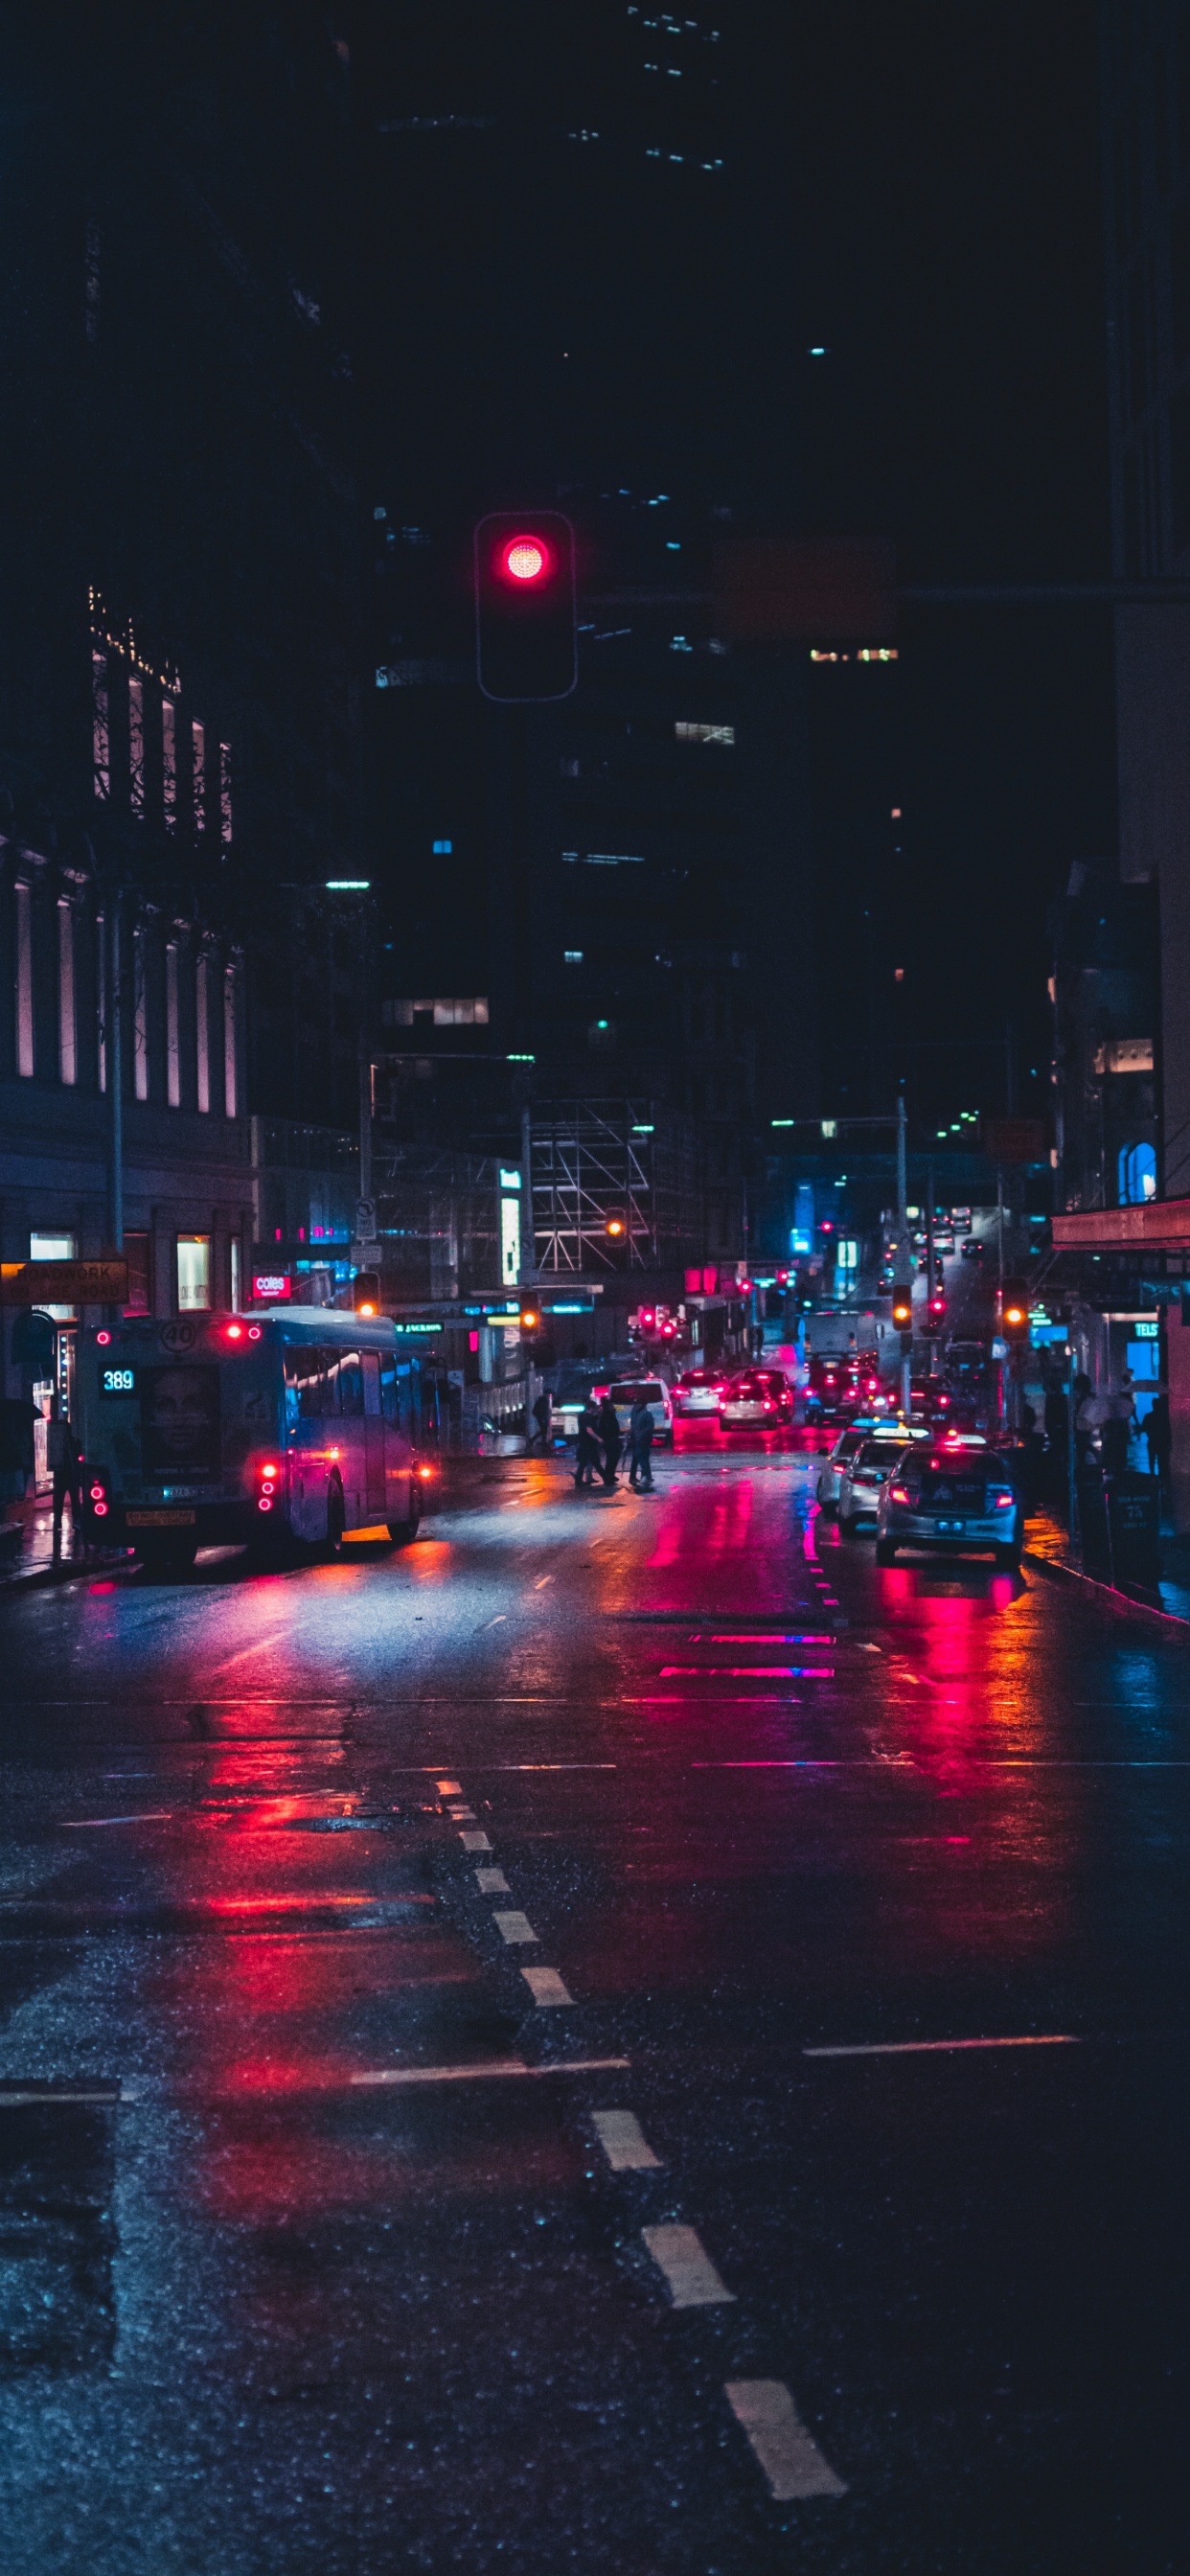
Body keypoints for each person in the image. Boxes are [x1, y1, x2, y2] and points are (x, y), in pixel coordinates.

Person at [47, 1403, 83, 1562]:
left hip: (65, 1475)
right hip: (67, 1475)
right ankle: (67, 1522)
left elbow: (79, 1457)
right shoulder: (69, 1443)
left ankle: (66, 1522)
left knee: (66, 1500)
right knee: (67, 1500)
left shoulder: (72, 1443)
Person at [1144, 1389, 1171, 1489]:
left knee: (1151, 1459)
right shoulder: (1164, 1417)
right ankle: (1161, 1477)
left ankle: (1152, 1476)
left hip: (1152, 1440)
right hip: (1162, 1441)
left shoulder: (1148, 1416)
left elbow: (1144, 1427)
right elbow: (1167, 1430)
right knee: (1161, 1459)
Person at [628, 1393, 655, 1491]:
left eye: (638, 1403)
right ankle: (645, 1477)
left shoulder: (645, 1414)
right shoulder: (636, 1412)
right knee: (640, 1458)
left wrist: (642, 1436)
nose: (636, 1405)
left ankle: (645, 1477)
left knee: (641, 1458)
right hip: (637, 1440)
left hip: (643, 1440)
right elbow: (634, 1425)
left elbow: (648, 1428)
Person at [596, 1393, 622, 1489]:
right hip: (610, 1440)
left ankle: (610, 1474)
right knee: (612, 1458)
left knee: (612, 1458)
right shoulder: (607, 1416)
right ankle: (609, 1475)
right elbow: (609, 1429)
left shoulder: (607, 1415)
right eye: (611, 1406)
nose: (613, 1407)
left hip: (611, 1440)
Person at [573, 1404, 602, 1488]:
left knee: (584, 1462)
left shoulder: (583, 1416)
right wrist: (598, 1439)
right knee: (585, 1462)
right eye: (594, 1408)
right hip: (587, 1443)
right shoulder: (587, 1417)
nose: (595, 1410)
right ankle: (579, 1480)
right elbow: (589, 1430)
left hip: (584, 1442)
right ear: (591, 1408)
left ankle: (581, 1479)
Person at [531, 1388, 552, 1453]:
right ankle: (535, 1440)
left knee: (544, 1430)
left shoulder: (541, 1400)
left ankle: (543, 1442)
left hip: (541, 1417)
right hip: (542, 1417)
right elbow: (544, 1410)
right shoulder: (544, 1400)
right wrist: (544, 1417)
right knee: (544, 1430)